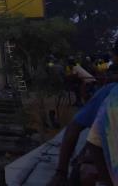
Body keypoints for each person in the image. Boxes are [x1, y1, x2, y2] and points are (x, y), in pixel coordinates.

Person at [48, 40, 118, 185]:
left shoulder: (111, 96)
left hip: (88, 83)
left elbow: (92, 141)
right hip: (90, 82)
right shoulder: (77, 67)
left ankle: (80, 101)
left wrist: (61, 172)